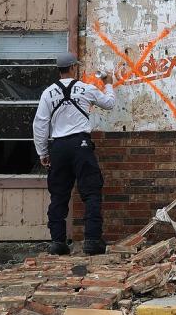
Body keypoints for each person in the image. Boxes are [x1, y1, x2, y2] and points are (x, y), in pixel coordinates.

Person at [32, 52, 116, 255]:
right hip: (81, 145)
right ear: (73, 68)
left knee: (59, 195)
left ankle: (58, 242)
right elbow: (109, 104)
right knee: (91, 193)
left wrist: (43, 152)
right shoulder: (86, 89)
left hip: (59, 147)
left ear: (59, 70)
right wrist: (109, 83)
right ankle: (92, 240)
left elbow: (40, 124)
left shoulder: (48, 93)